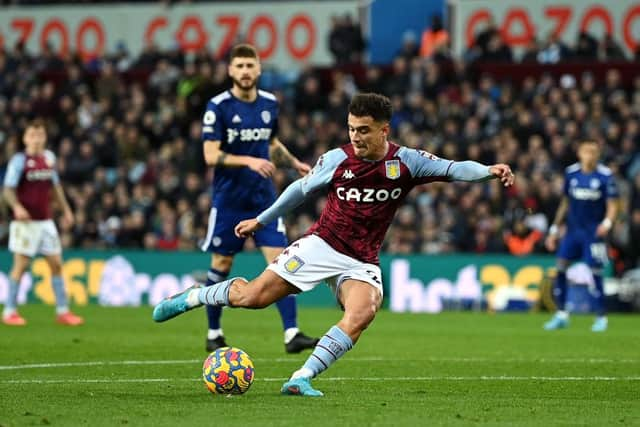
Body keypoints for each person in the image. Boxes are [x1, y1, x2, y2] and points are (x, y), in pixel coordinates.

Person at [154, 93, 515, 396]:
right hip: (321, 246)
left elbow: (454, 168)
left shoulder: (406, 162)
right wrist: (262, 219)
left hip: (361, 260)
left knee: (363, 312)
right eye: (351, 129)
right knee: (253, 298)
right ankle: (192, 297)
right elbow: (299, 189)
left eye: (363, 130)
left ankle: (300, 378)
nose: (355, 137)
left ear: (383, 130)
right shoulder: (337, 159)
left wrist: (487, 170)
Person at [198, 43, 318, 353]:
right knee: (221, 263)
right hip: (229, 201)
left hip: (264, 201)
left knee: (281, 263)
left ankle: (292, 334)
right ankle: (214, 332)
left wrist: (293, 163)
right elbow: (210, 155)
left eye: (250, 66)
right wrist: (249, 161)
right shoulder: (218, 106)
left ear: (259, 69)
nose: (245, 72)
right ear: (230, 71)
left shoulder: (269, 104)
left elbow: (272, 143)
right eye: (239, 66)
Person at [2, 119, 84, 326]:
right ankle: (10, 311)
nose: (36, 139)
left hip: (46, 221)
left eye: (40, 135)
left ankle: (63, 311)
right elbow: (8, 190)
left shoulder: (49, 159)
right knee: (21, 265)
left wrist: (66, 210)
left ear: (45, 137)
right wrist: (17, 207)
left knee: (56, 264)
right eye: (32, 135)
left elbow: (55, 187)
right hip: (25, 223)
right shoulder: (19, 161)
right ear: (25, 138)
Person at [544, 140, 619, 332]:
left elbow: (613, 204)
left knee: (595, 273)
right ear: (579, 153)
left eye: (593, 152)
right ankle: (561, 314)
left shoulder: (605, 176)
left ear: (598, 154)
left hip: (593, 233)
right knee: (560, 267)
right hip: (573, 232)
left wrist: (607, 224)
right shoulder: (571, 173)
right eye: (586, 151)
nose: (589, 155)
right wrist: (554, 229)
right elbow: (565, 203)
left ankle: (601, 317)